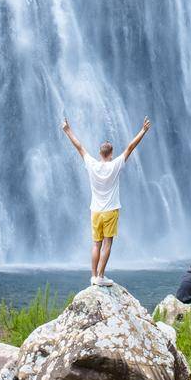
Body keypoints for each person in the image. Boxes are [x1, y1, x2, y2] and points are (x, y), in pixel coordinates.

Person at [61, 114, 151, 285]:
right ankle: (101, 277)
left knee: (96, 244)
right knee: (107, 244)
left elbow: (79, 146)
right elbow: (131, 147)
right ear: (111, 154)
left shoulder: (91, 164)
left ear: (99, 153)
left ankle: (93, 276)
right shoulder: (115, 165)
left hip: (95, 210)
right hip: (110, 211)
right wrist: (143, 131)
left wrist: (67, 130)